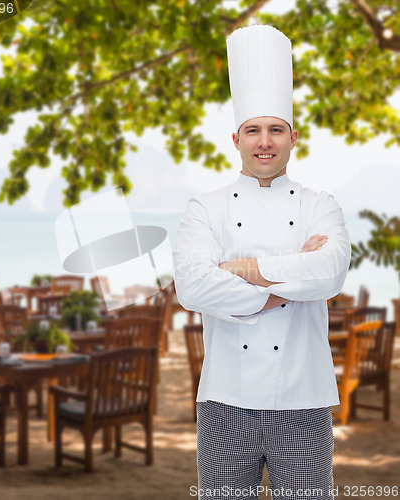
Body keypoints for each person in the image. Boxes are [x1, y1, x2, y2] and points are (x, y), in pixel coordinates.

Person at [173, 25, 351, 500]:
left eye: (276, 129)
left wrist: (244, 269)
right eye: (253, 130)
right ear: (236, 138)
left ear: (295, 137)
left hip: (305, 400)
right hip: (225, 402)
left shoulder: (320, 203)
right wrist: (290, 280)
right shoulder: (206, 207)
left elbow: (330, 271)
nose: (264, 141)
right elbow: (192, 289)